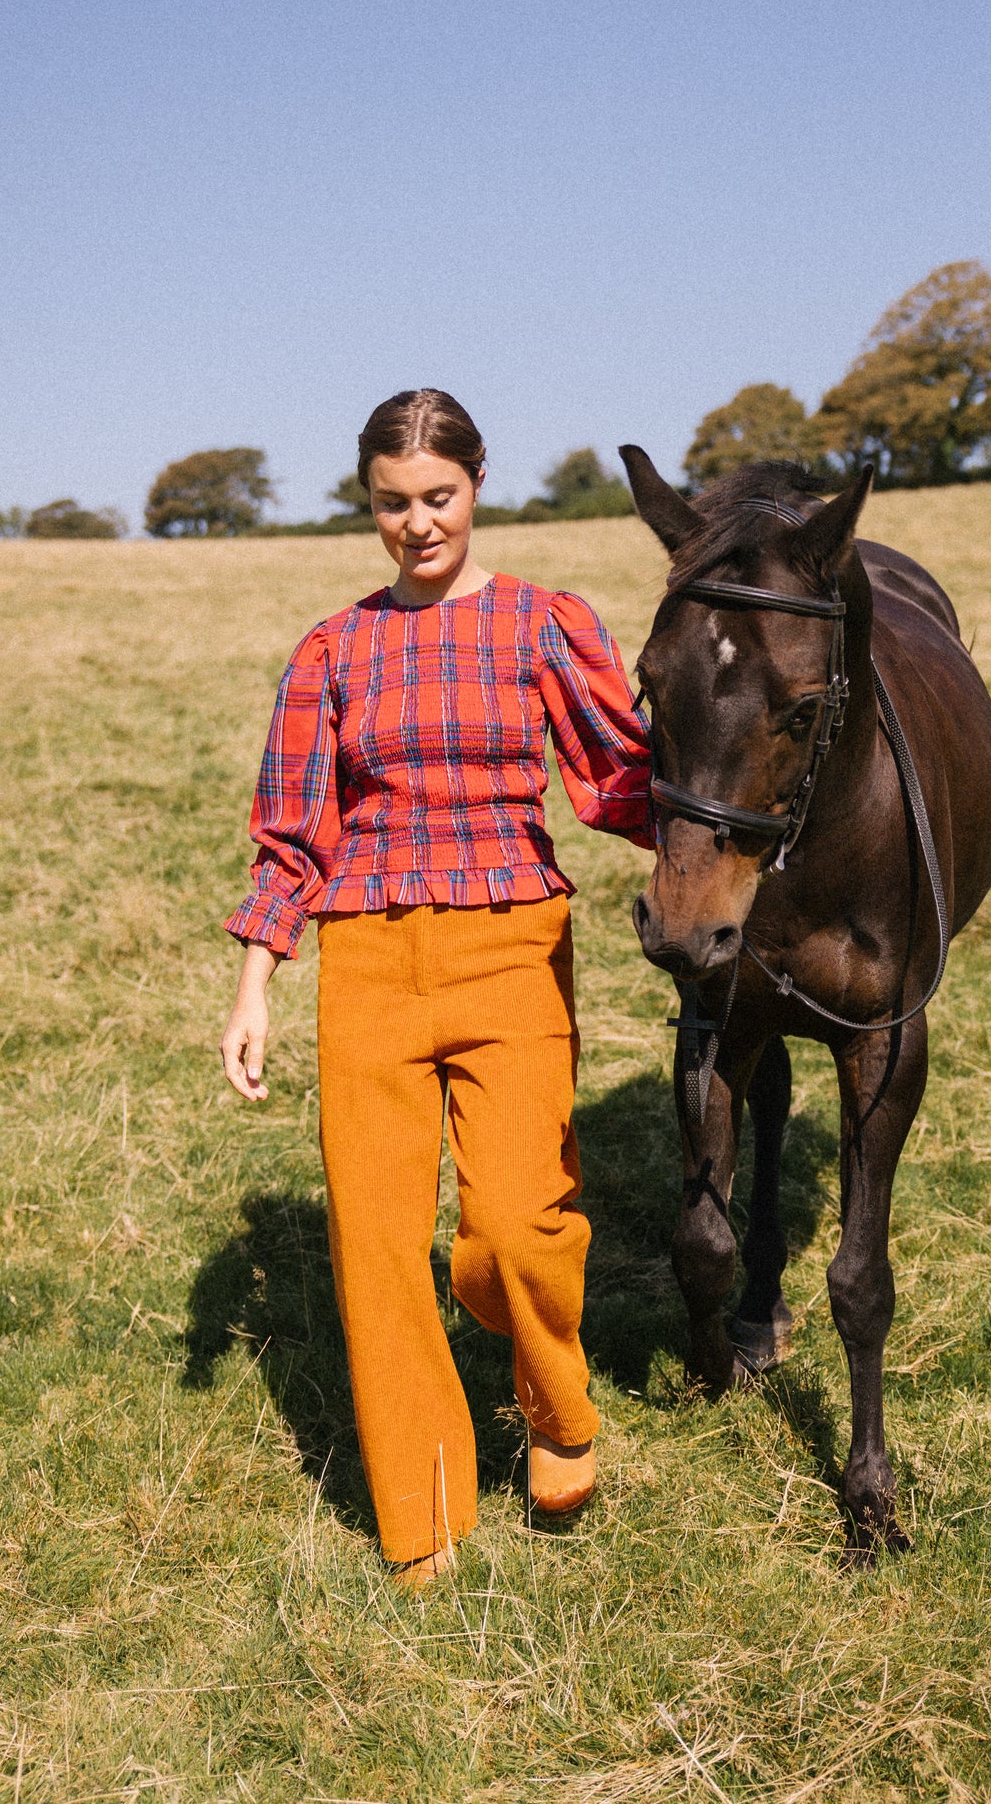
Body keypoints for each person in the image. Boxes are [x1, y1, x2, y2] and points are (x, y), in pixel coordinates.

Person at [219, 388, 653, 1587]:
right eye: (392, 504)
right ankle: (423, 1512)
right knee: (371, 1244)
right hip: (365, 961)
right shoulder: (330, 649)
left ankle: (559, 1405)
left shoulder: (543, 625)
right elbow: (292, 834)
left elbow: (621, 782)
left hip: (512, 943)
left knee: (513, 1226)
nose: (416, 525)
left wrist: (730, 842)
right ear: (368, 506)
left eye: (437, 498)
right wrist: (254, 984)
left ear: (477, 486)